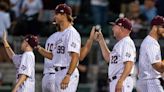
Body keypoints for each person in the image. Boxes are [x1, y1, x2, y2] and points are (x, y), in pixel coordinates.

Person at [37, 4, 81, 92]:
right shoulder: (59, 35)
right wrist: (38, 48)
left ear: (64, 15)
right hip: (58, 72)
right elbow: (53, 56)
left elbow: (75, 56)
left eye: (57, 14)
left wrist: (68, 75)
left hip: (66, 71)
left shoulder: (71, 33)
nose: (55, 16)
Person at [95, 17, 136, 92]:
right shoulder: (121, 43)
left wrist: (121, 81)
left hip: (121, 80)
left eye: (115, 26)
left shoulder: (126, 42)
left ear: (122, 28)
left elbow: (129, 64)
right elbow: (109, 59)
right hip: (117, 80)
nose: (112, 28)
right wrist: (101, 40)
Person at [136, 15, 164, 92]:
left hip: (147, 81)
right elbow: (158, 66)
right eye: (163, 27)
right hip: (151, 82)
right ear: (155, 27)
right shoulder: (151, 43)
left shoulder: (150, 41)